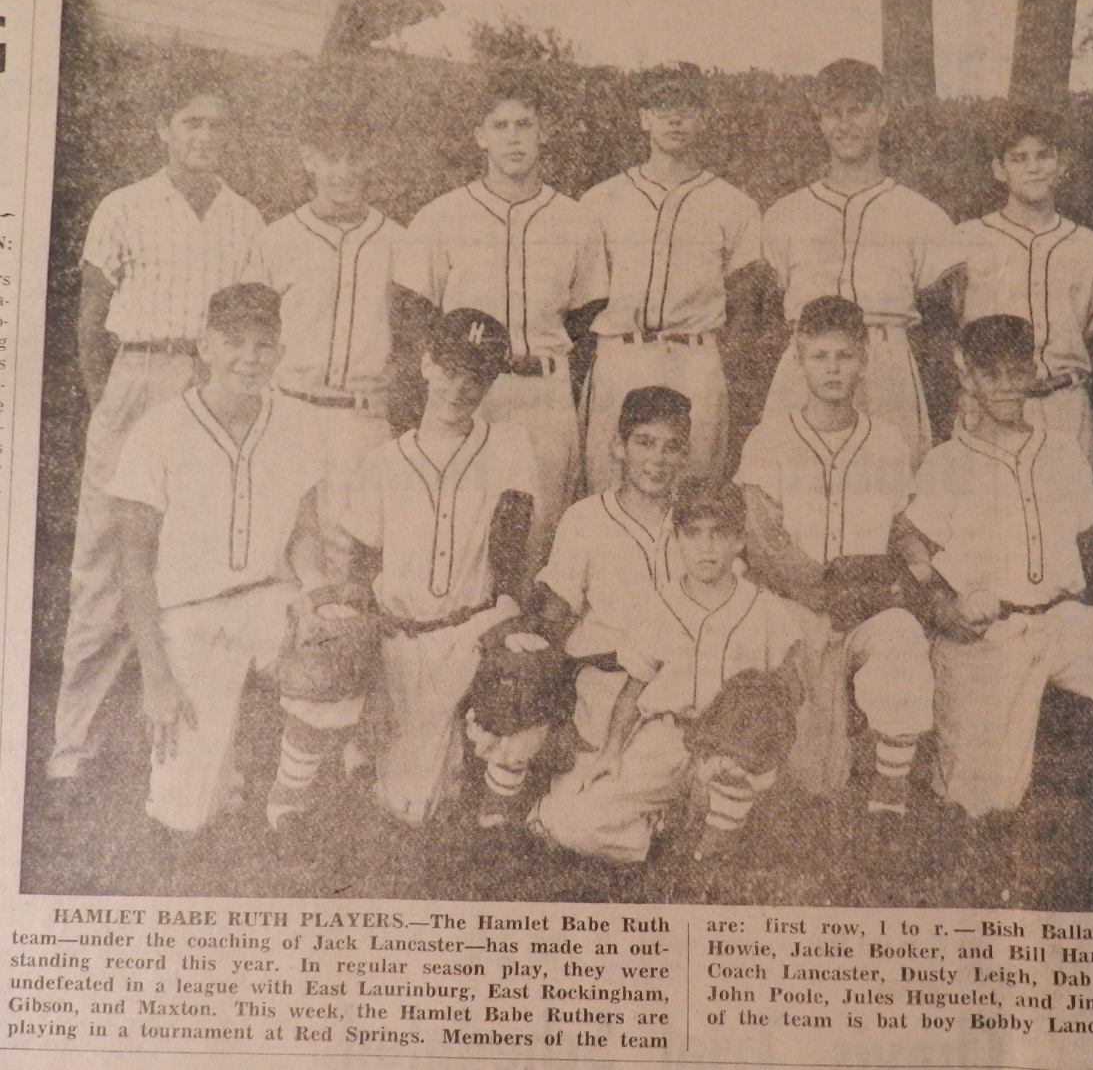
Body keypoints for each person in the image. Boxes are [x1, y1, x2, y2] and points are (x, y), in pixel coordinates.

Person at [905, 315, 1093, 839]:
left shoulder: (1060, 450)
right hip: (985, 637)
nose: (1006, 385)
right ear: (966, 376)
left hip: (1063, 621)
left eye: (1017, 370)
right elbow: (909, 543)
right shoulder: (946, 462)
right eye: (990, 373)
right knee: (980, 806)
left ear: (1033, 369)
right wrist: (939, 606)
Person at [49, 84, 265, 783]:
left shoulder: (246, 218)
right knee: (106, 562)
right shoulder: (124, 205)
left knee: (200, 564)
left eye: (216, 125)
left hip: (209, 388)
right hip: (136, 376)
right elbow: (91, 317)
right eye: (190, 123)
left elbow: (252, 326)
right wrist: (105, 401)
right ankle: (71, 743)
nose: (204, 136)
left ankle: (202, 749)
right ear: (162, 129)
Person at [104, 284, 326, 833]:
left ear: (280, 350)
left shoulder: (296, 424)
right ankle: (213, 774)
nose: (250, 358)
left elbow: (306, 532)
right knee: (186, 819)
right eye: (234, 342)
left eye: (264, 344)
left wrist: (317, 595)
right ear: (205, 345)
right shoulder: (157, 431)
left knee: (339, 653)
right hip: (190, 617)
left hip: (268, 601)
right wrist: (156, 677)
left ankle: (287, 796)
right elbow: (133, 569)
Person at [391, 72, 607, 561]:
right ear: (480, 136)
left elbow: (587, 317)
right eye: (501, 125)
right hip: (470, 392)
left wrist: (556, 374)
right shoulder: (441, 216)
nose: (514, 137)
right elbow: (415, 314)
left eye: (525, 124)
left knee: (541, 530)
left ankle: (527, 633)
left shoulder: (576, 220)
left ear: (543, 132)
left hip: (545, 392)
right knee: (467, 527)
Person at [529, 478, 804, 863]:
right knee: (569, 823)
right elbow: (633, 688)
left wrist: (759, 716)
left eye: (719, 534)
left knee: (744, 799)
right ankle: (661, 832)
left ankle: (713, 835)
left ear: (740, 541)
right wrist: (611, 752)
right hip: (669, 737)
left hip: (733, 748)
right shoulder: (660, 606)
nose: (706, 547)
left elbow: (791, 688)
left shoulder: (765, 608)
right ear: (677, 540)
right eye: (693, 534)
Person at [736, 295, 935, 815]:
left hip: (865, 610)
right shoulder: (770, 438)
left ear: (865, 359)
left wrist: (917, 578)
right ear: (798, 359)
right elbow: (760, 540)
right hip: (794, 608)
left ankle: (889, 794)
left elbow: (901, 529)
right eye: (819, 356)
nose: (832, 368)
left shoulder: (887, 440)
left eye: (844, 356)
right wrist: (823, 595)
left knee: (903, 636)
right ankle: (747, 786)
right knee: (809, 780)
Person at [340, 309, 540, 827]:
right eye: (450, 370)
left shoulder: (511, 445)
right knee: (401, 807)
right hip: (398, 635)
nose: (460, 387)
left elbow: (513, 549)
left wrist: (507, 619)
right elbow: (362, 564)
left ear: (491, 381)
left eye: (476, 376)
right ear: (426, 364)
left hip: (469, 630)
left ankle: (485, 795)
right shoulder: (383, 459)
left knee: (520, 674)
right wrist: (371, 669)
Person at [760, 59, 956, 467]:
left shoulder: (921, 214)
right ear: (819, 120)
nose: (844, 124)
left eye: (857, 110)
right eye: (833, 112)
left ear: (882, 113)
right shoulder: (785, 213)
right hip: (807, 361)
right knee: (793, 486)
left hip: (885, 359)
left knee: (892, 490)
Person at [579, 63, 762, 491]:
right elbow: (581, 303)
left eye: (687, 106)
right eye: (662, 106)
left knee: (693, 487)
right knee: (608, 484)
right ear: (643, 117)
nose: (675, 118)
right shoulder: (601, 200)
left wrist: (716, 362)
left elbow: (746, 305)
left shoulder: (733, 204)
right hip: (621, 354)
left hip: (694, 358)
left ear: (703, 117)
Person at [241, 113, 402, 579]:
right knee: (279, 539)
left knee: (351, 548)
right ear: (308, 159)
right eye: (332, 159)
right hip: (289, 406)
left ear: (372, 159)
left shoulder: (397, 240)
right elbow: (252, 331)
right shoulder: (275, 239)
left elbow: (413, 337)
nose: (344, 172)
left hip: (361, 414)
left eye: (355, 158)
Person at [947, 107, 1093, 463]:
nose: (1033, 167)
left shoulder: (1087, 245)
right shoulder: (966, 240)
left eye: (1044, 155)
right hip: (988, 406)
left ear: (1061, 164)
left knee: (1072, 514)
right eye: (1019, 158)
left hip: (1064, 403)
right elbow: (947, 326)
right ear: (999, 169)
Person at [531, 385, 692, 752]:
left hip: (682, 690)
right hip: (606, 687)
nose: (658, 458)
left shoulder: (697, 521)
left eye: (672, 446)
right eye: (644, 443)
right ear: (619, 447)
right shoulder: (585, 518)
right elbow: (553, 617)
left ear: (687, 454)